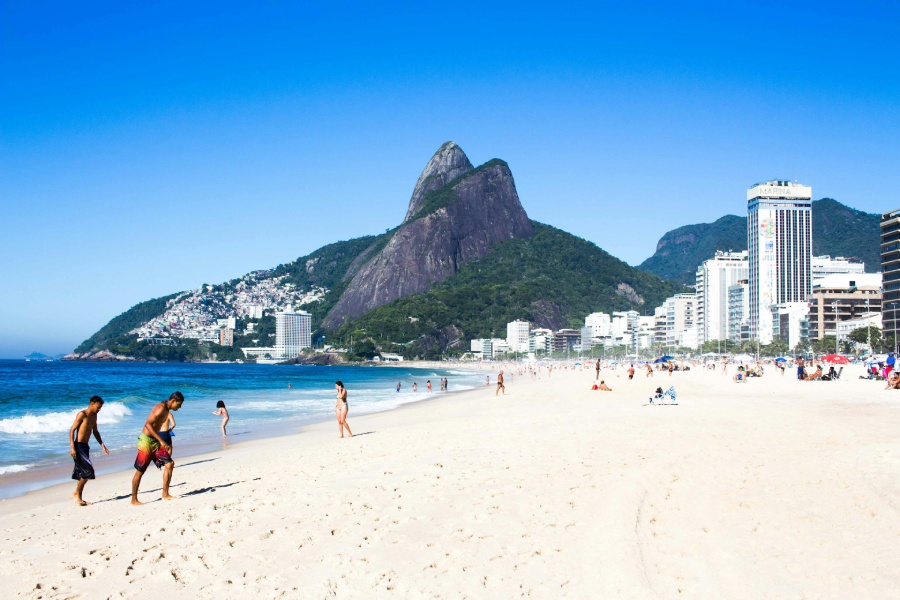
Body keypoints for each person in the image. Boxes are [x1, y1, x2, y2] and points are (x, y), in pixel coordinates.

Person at [131, 391, 184, 505]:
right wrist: (161, 440)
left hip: (155, 441)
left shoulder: (167, 410)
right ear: (173, 401)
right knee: (140, 470)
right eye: (179, 405)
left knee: (169, 464)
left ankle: (165, 494)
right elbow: (148, 424)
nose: (179, 407)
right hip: (146, 441)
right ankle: (134, 500)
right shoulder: (160, 408)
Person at [68, 395, 109, 506]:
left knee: (82, 472)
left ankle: (77, 493)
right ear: (91, 404)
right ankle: (78, 497)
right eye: (98, 407)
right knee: (88, 472)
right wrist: (72, 447)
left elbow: (95, 431)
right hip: (78, 446)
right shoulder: (82, 414)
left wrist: (102, 444)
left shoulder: (94, 416)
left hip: (85, 446)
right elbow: (72, 430)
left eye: (100, 407)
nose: (99, 409)